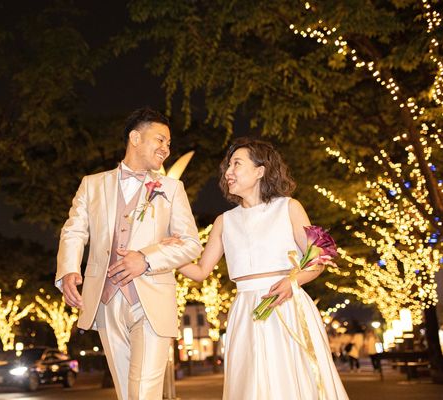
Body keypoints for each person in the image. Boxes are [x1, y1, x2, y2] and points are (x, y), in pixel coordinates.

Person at [173, 138, 348, 399]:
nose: (228, 171)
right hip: (244, 311)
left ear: (260, 171)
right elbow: (200, 272)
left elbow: (319, 257)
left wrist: (293, 282)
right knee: (250, 384)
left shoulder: (288, 207)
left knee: (290, 381)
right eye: (228, 166)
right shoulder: (224, 221)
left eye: (236, 164)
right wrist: (168, 255)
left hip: (285, 305)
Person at [55, 107, 202, 400]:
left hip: (152, 300)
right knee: (127, 393)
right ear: (135, 138)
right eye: (160, 140)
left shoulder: (172, 189)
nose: (166, 148)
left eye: (169, 143)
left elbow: (191, 244)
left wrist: (146, 259)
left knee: (143, 392)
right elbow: (74, 231)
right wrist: (69, 270)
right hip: (105, 301)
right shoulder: (92, 184)